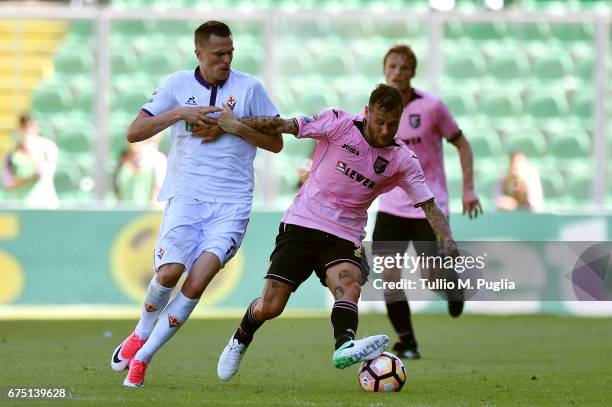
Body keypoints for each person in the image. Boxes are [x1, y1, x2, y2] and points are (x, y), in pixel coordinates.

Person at [213, 84, 459, 381]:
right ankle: (241, 337)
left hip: (345, 234)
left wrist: (447, 240)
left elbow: (429, 205)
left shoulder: (402, 159)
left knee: (349, 286)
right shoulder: (338, 123)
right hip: (303, 222)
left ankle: (344, 346)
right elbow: (283, 125)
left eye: (392, 124)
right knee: (271, 306)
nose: (384, 130)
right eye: (379, 122)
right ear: (367, 112)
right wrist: (234, 122)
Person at [110, 20, 282, 388]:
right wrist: (180, 113)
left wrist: (237, 127)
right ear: (199, 53)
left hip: (232, 204)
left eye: (231, 53)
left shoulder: (249, 87)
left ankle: (143, 357)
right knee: (169, 273)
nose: (226, 60)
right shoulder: (176, 85)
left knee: (199, 279)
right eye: (219, 54)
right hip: (186, 196)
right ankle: (141, 331)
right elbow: (134, 132)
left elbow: (276, 143)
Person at [372, 45, 482, 360]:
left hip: (428, 205)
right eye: (391, 66)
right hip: (391, 207)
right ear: (384, 70)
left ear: (412, 73)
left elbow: (462, 143)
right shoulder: (375, 110)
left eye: (403, 67)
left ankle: (451, 287)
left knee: (431, 274)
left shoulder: (432, 107)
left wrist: (469, 189)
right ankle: (407, 342)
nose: (396, 72)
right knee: (389, 278)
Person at [2, 114, 59, 208]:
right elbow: (8, 183)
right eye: (24, 128)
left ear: (36, 129)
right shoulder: (11, 155)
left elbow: (46, 173)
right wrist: (26, 179)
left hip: (46, 206)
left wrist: (32, 151)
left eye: (30, 127)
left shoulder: (47, 147)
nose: (27, 132)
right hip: (22, 207)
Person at [114, 134, 167, 208]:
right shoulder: (123, 164)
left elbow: (158, 187)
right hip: (126, 209)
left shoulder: (158, 159)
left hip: (148, 211)